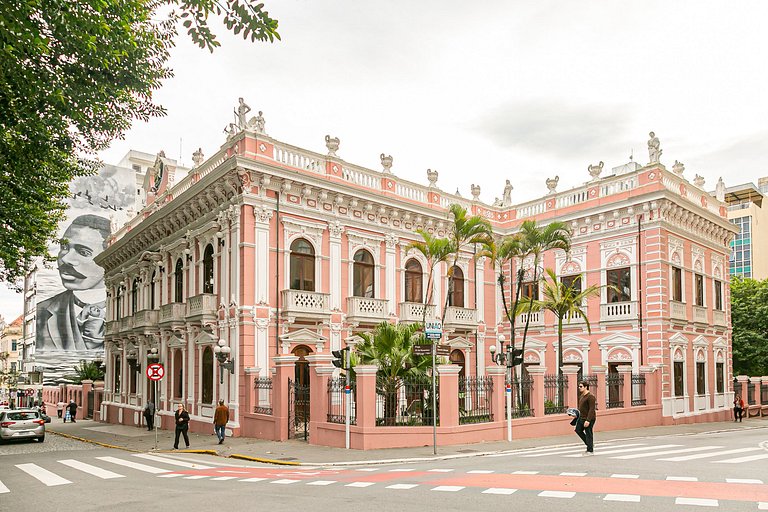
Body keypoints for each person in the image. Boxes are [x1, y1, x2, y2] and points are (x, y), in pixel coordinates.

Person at [35, 214, 112, 352]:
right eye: (64, 247)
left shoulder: (128, 307)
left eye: (83, 252)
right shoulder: (42, 311)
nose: (66, 259)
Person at [575, 380, 596, 455]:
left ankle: (590, 450)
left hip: (589, 418)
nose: (579, 388)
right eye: (579, 386)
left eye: (581, 386)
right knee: (578, 430)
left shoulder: (591, 396)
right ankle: (589, 444)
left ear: (586, 387)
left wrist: (588, 420)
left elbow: (591, 409)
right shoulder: (582, 396)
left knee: (588, 433)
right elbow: (581, 408)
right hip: (581, 417)